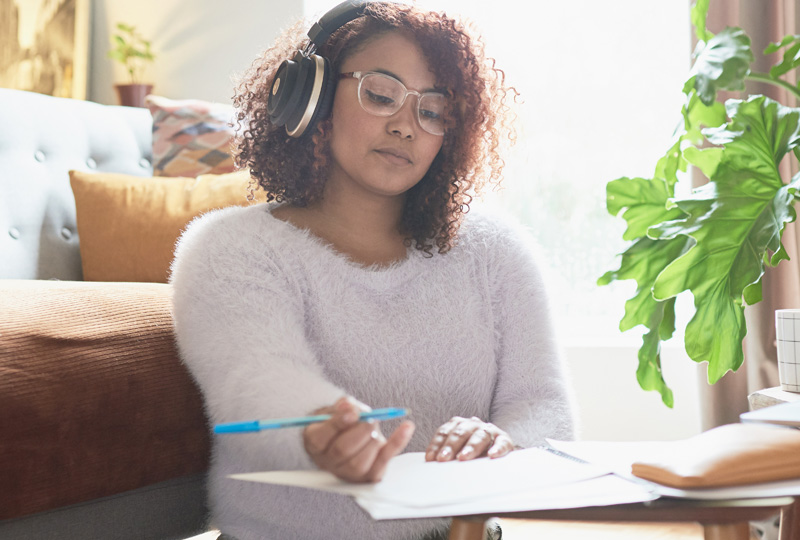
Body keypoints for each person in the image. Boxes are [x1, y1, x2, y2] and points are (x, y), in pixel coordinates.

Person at [170, 2, 576, 539]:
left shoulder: (497, 252)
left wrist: (506, 444)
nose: (406, 126)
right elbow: (256, 379)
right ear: (311, 98)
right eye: (381, 95)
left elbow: (546, 407)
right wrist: (320, 426)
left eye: (433, 111)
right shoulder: (230, 246)